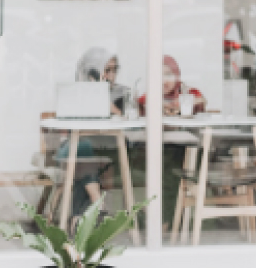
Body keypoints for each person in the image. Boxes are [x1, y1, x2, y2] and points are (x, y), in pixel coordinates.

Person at [55, 48, 123, 218]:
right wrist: (93, 90)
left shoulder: (120, 94)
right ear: (92, 71)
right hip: (72, 147)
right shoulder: (75, 92)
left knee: (84, 162)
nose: (112, 75)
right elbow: (66, 126)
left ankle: (79, 219)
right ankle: (98, 204)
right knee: (82, 148)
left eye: (114, 69)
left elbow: (124, 121)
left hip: (102, 150)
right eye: (107, 70)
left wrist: (106, 100)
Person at [138, 56, 207, 115]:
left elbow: (200, 103)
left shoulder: (190, 92)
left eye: (168, 75)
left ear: (176, 76)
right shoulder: (150, 95)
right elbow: (139, 103)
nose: (163, 81)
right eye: (158, 75)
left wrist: (180, 104)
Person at [75, 47, 127, 114]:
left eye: (115, 70)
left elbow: (128, 120)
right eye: (107, 70)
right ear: (92, 75)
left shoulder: (122, 95)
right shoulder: (78, 96)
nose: (112, 76)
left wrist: (113, 109)